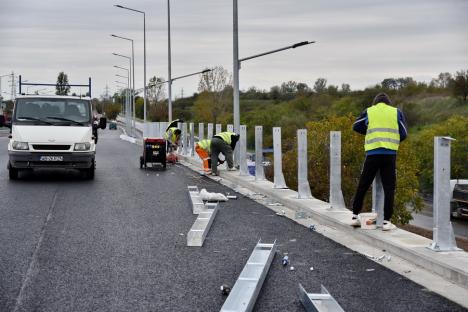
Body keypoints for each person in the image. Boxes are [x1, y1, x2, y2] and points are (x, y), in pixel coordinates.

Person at [350, 93, 408, 231]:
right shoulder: (396, 112)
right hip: (389, 155)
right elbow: (404, 133)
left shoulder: (369, 111)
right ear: (388, 103)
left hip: (372, 153)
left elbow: (356, 126)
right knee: (389, 188)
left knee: (363, 185)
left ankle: (354, 216)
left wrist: (369, 130)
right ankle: (387, 221)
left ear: (375, 103)